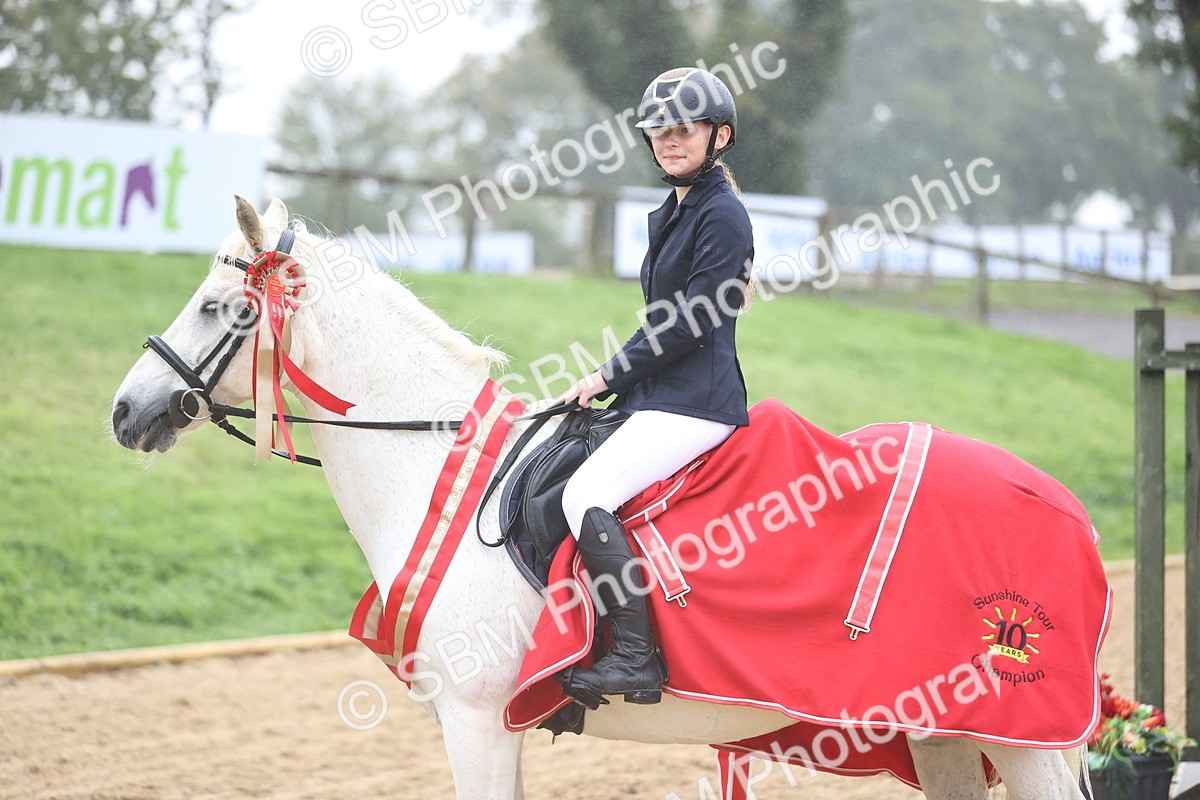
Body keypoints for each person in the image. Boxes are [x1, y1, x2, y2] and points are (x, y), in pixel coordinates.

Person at [558, 67, 755, 708]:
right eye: (659, 131)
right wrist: (612, 384)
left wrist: (605, 376)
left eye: (684, 130)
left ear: (719, 136)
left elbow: (690, 323)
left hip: (697, 401)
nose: (669, 140)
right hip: (662, 396)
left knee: (587, 493)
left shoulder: (722, 214)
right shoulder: (676, 210)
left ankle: (636, 657)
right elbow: (660, 322)